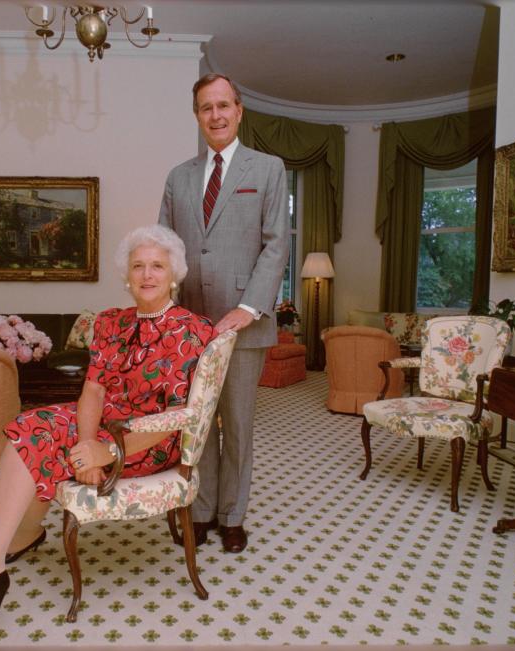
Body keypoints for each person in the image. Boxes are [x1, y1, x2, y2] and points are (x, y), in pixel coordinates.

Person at [0, 224, 215, 612]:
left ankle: (17, 543)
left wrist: (107, 453)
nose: (147, 275)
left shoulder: (192, 329)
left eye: (157, 266)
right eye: (138, 266)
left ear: (174, 273)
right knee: (29, 428)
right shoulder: (111, 322)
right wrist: (85, 443)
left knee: (42, 441)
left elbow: (177, 417)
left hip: (150, 441)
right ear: (126, 275)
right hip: (104, 426)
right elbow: (93, 389)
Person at [159, 73, 289, 554]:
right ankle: (202, 511)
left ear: (239, 110)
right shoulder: (179, 176)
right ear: (197, 115)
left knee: (236, 425)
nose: (215, 115)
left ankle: (234, 516)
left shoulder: (268, 168)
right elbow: (167, 246)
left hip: (245, 325)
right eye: (205, 108)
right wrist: (166, 310)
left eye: (223, 106)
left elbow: (277, 246)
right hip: (189, 325)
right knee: (197, 422)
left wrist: (247, 307)